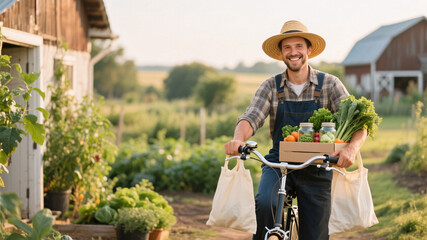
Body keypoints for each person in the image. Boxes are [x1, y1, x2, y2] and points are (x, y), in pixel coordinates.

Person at [224, 20, 367, 239]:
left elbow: (359, 124)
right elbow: (252, 117)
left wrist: (351, 149)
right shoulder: (270, 86)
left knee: (315, 234)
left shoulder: (329, 84)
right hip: (279, 164)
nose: (293, 52)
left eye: (299, 46)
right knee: (265, 204)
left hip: (318, 166)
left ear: (309, 50)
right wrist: (237, 139)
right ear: (281, 53)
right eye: (287, 47)